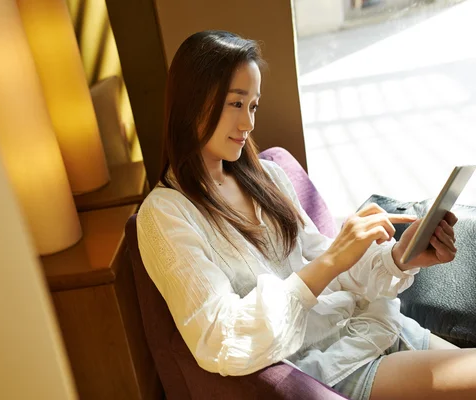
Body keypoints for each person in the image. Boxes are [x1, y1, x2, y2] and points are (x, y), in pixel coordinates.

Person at [136, 30, 475, 400]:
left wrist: (397, 258)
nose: (248, 124)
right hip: (333, 365)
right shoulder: (164, 216)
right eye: (236, 104)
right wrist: (331, 260)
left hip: (378, 325)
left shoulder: (267, 178)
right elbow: (223, 338)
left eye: (253, 106)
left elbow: (331, 268)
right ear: (194, 100)